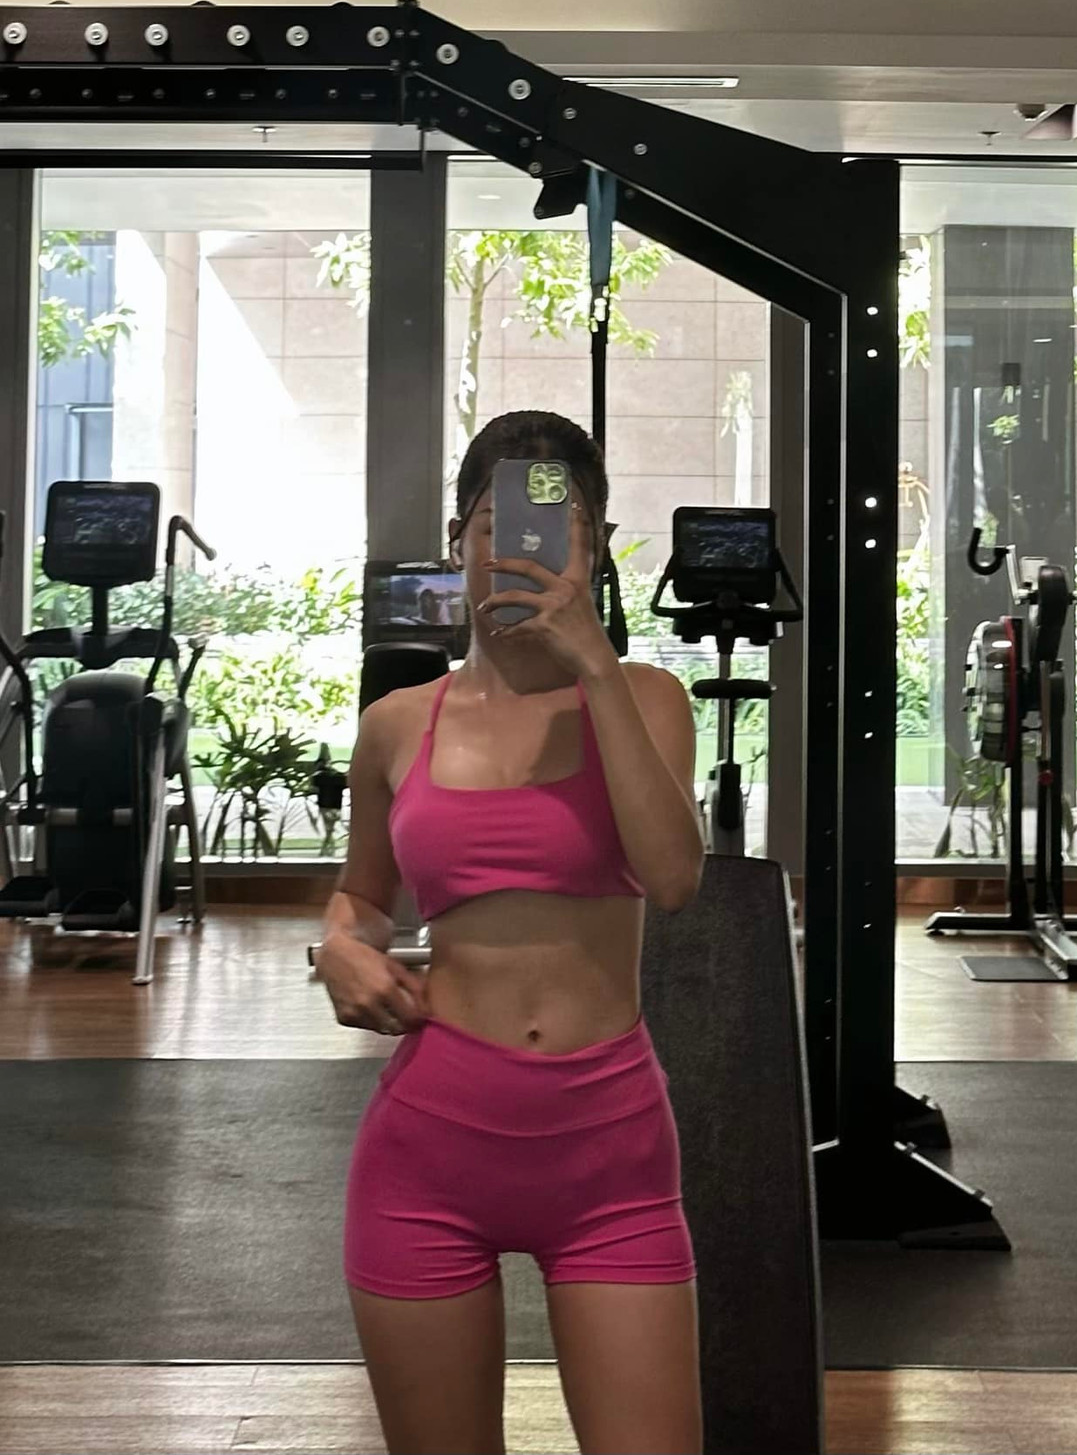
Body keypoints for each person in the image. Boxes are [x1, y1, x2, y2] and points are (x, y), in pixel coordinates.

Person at [315, 410, 706, 1455]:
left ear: (596, 546)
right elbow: (361, 896)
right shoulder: (397, 722)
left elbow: (673, 877)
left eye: (556, 523)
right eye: (496, 523)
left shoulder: (648, 699)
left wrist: (594, 663)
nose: (519, 548)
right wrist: (339, 946)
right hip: (430, 1145)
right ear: (460, 540)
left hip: (611, 1153)